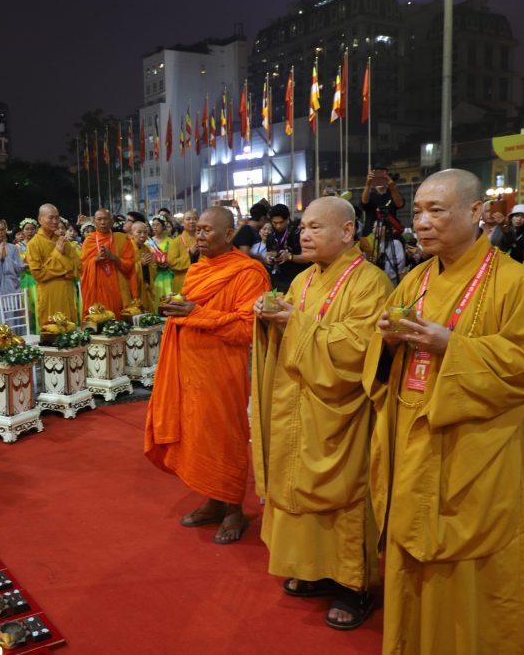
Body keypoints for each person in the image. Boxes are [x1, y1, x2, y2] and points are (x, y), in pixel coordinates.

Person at [362, 169, 524, 654]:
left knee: (467, 556)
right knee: (410, 546)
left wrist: (454, 346)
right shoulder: (414, 279)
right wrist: (388, 342)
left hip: (471, 446)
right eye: (417, 211)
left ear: (475, 212)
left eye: (436, 210)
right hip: (410, 433)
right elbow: (380, 362)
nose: (421, 222)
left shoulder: (515, 282)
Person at [251, 196, 391, 630]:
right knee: (297, 485)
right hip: (297, 401)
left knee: (344, 495)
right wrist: (269, 318)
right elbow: (291, 329)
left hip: (340, 409)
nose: (304, 235)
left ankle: (354, 584)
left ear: (347, 232)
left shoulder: (371, 283)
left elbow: (359, 348)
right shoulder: (303, 279)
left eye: (315, 227)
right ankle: (314, 569)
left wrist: (294, 323)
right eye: (303, 227)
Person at [145, 206, 270, 544]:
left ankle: (233, 510)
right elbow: (191, 311)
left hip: (222, 371)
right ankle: (214, 501)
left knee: (225, 437)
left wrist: (195, 313)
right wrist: (177, 310)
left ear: (229, 234)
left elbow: (247, 327)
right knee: (199, 435)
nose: (198, 235)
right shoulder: (199, 268)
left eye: (206, 230)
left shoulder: (249, 272)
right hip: (190, 368)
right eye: (196, 228)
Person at [27, 205, 81, 324]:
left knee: (69, 329)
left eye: (57, 218)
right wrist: (57, 255)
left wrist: (64, 267)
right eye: (51, 218)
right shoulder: (34, 244)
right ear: (40, 219)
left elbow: (76, 268)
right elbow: (38, 274)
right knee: (52, 329)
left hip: (66, 293)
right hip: (49, 294)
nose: (55, 221)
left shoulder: (63, 241)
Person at [80, 208, 135, 315]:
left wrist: (113, 258)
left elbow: (129, 264)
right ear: (94, 221)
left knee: (117, 317)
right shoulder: (89, 240)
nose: (103, 222)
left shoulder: (122, 239)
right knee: (97, 317)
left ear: (112, 221)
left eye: (106, 219)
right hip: (96, 288)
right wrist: (95, 259)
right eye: (99, 219)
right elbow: (81, 267)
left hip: (117, 287)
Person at [265, 205, 309, 292]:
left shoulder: (298, 233)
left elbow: (308, 258)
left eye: (281, 222)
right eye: (275, 223)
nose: (278, 226)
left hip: (297, 278)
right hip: (278, 279)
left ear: (287, 219)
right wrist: (269, 257)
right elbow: (269, 252)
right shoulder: (271, 234)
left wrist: (290, 257)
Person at [360, 167, 405, 237]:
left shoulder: (393, 193)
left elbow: (400, 204)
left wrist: (392, 187)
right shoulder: (369, 194)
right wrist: (368, 184)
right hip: (371, 234)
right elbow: (364, 202)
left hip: (391, 234)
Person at [16, 218, 39, 331]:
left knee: (39, 305)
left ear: (36, 230)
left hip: (38, 278)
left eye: (32, 229)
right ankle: (28, 331)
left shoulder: (39, 244)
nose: (30, 231)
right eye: (27, 229)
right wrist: (23, 265)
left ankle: (40, 330)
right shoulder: (17, 246)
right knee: (27, 306)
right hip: (25, 279)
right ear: (22, 231)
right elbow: (16, 263)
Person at [129, 221, 157, 312]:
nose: (143, 235)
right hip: (132, 290)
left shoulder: (147, 249)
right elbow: (125, 269)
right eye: (139, 232)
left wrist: (148, 266)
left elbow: (153, 268)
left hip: (145, 288)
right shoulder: (128, 248)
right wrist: (140, 264)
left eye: (145, 232)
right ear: (131, 234)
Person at [147, 215, 174, 303]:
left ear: (163, 226)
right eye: (153, 225)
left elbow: (173, 257)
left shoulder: (171, 241)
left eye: (157, 225)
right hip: (154, 274)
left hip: (168, 274)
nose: (155, 227)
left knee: (168, 298)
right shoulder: (148, 242)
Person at [170, 209, 198, 292]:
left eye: (195, 219)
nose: (192, 221)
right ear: (182, 222)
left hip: (200, 278)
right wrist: (190, 254)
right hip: (182, 280)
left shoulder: (203, 240)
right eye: (188, 219)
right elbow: (172, 263)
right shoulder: (176, 242)